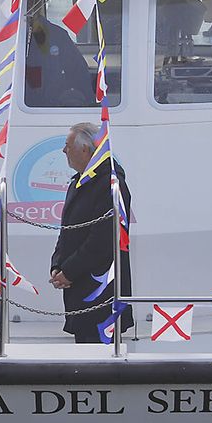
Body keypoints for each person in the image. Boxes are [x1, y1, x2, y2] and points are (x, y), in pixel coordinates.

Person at [50, 122, 134, 344]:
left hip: (100, 292)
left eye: (68, 145)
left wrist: (69, 271)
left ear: (85, 149)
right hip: (80, 288)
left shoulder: (111, 184)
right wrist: (57, 265)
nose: (64, 151)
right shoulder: (79, 182)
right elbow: (67, 231)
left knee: (100, 355)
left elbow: (103, 240)